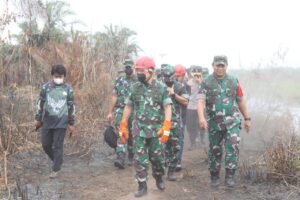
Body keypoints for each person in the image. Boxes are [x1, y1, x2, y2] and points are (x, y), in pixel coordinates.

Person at [119, 56, 172, 197]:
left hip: (156, 131)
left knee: (157, 159)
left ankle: (159, 176)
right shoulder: (135, 87)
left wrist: (167, 126)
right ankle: (142, 185)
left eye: (141, 70)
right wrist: (123, 124)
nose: (138, 73)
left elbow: (167, 107)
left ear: (151, 71)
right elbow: (128, 106)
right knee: (139, 159)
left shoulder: (161, 88)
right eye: (137, 70)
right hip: (139, 129)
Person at [197, 55, 251, 188]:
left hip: (232, 121)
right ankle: (214, 176)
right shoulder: (206, 82)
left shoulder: (234, 81)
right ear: (213, 65)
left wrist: (247, 118)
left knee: (233, 146)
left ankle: (230, 176)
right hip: (214, 122)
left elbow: (240, 100)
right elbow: (201, 101)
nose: (220, 68)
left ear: (226, 66)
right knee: (215, 149)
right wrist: (201, 118)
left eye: (222, 65)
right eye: (217, 65)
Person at [34, 64, 75, 179]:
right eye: (56, 76)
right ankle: (58, 161)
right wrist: (38, 118)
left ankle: (55, 169)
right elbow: (40, 104)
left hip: (61, 122)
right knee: (46, 145)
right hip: (47, 121)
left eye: (61, 76)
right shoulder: (45, 88)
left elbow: (71, 107)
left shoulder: (68, 89)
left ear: (64, 76)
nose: (58, 78)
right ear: (52, 75)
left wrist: (71, 123)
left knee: (58, 145)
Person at [107, 59, 136, 169]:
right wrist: (110, 112)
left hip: (134, 111)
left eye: (130, 67)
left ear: (134, 67)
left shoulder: (139, 81)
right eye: (126, 67)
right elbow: (114, 96)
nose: (128, 69)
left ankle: (132, 155)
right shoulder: (119, 80)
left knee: (133, 135)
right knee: (122, 133)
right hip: (120, 110)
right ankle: (120, 157)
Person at [161, 64, 189, 180]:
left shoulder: (180, 86)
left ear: (174, 76)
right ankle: (161, 169)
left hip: (175, 121)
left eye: (170, 76)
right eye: (165, 76)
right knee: (161, 146)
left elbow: (185, 101)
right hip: (160, 121)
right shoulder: (158, 85)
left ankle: (171, 171)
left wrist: (174, 94)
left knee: (175, 146)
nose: (167, 79)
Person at [186, 65, 206, 150]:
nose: (196, 74)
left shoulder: (204, 82)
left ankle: (202, 140)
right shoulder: (188, 83)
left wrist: (201, 82)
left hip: (201, 107)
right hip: (190, 107)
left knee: (201, 124)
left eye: (198, 72)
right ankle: (193, 142)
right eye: (194, 72)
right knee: (190, 126)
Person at [173, 64, 188, 171]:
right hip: (169, 117)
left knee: (180, 139)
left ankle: (177, 161)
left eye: (179, 76)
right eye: (176, 76)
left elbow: (186, 101)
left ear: (183, 75)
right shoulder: (169, 84)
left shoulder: (186, 86)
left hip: (182, 116)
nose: (177, 78)